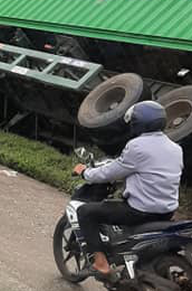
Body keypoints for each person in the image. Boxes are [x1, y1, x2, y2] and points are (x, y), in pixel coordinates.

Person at [72, 101, 183, 278]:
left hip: (140, 211)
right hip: (166, 212)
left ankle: (101, 264)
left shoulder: (137, 146)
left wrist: (85, 173)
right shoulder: (175, 148)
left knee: (86, 212)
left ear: (138, 123)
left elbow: (110, 172)